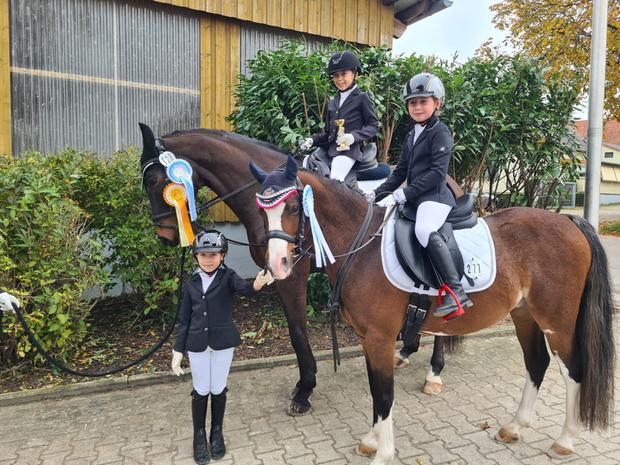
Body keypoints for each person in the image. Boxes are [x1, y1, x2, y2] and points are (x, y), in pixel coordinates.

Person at [368, 72, 473, 319]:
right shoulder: (411, 135)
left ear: (437, 103)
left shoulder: (441, 132)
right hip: (416, 197)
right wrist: (376, 193)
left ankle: (456, 292)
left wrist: (403, 194)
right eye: (413, 103)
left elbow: (437, 174)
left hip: (436, 197)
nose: (417, 107)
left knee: (424, 231)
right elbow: (400, 172)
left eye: (423, 101)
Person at [171, 230, 274, 464]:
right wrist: (178, 350)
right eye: (203, 255)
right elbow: (185, 319)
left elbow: (246, 289)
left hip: (222, 344)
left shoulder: (228, 277)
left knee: (218, 388)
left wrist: (258, 283)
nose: (208, 259)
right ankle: (199, 436)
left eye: (214, 255)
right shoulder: (191, 283)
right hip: (197, 344)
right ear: (196, 256)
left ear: (223, 255)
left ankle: (216, 433)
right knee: (200, 390)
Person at [299, 50, 379, 182]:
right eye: (336, 76)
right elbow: (328, 134)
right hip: (330, 150)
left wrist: (354, 136)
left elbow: (373, 126)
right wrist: (312, 140)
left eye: (344, 74)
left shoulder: (361, 97)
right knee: (306, 165)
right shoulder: (333, 103)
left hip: (348, 151)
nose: (339, 79)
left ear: (354, 74)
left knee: (335, 179)